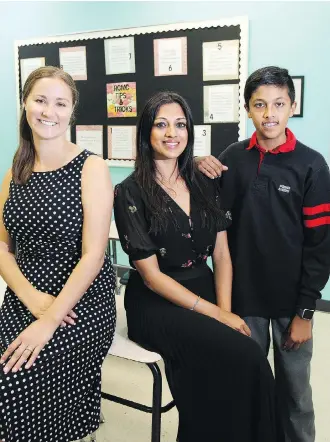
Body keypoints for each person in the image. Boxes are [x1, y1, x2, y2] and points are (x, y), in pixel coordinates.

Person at [114, 91, 278, 442]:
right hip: (155, 303)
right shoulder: (129, 192)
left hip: (202, 287)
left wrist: (225, 310)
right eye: (161, 124)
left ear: (189, 132)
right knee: (247, 355)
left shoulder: (203, 181)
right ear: (146, 133)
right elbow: (152, 276)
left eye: (180, 124)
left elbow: (221, 254)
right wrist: (219, 318)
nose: (171, 133)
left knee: (230, 365)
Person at [197, 66, 330, 442]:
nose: (269, 113)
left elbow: (321, 245)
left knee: (295, 393)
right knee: (246, 385)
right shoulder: (233, 157)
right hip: (243, 300)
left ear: (291, 106)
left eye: (278, 104)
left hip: (292, 304)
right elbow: (203, 204)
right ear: (247, 109)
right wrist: (195, 164)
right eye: (260, 104)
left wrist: (306, 311)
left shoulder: (312, 165)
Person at [0, 66, 116, 442]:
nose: (49, 111)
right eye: (40, 100)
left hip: (80, 304)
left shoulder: (92, 167)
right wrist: (31, 299)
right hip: (24, 297)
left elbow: (94, 256)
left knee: (13, 381)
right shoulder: (15, 170)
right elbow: (1, 246)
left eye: (60, 103)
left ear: (71, 112)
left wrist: (48, 320)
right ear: (25, 104)